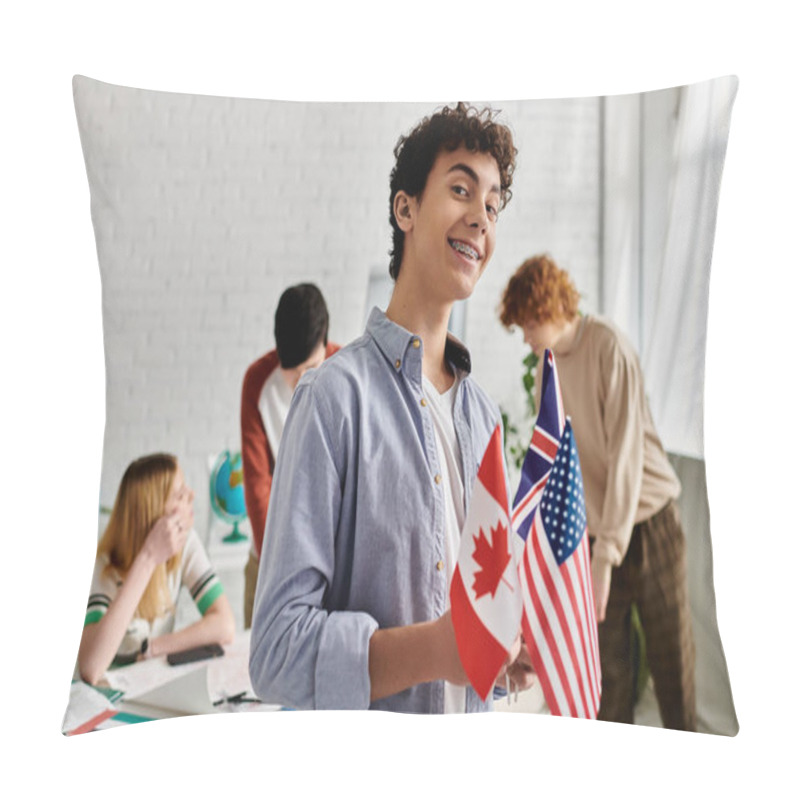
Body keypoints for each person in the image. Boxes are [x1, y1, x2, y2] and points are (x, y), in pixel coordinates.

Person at [249, 103, 535, 712]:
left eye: (492, 203)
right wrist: (436, 649)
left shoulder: (483, 418)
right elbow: (275, 651)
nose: (481, 217)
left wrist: (506, 650)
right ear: (406, 208)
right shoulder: (332, 400)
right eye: (461, 189)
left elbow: (482, 611)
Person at [499, 253, 696, 730]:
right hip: (595, 536)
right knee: (606, 681)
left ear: (546, 307)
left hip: (649, 527)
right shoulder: (548, 369)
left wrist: (603, 561)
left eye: (526, 324)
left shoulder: (610, 348)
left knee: (673, 675)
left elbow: (625, 461)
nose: (524, 337)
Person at [78, 453, 235, 685]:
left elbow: (224, 625)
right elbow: (91, 669)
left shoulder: (186, 544)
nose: (191, 496)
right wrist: (149, 557)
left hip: (150, 685)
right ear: (156, 513)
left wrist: (155, 647)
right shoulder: (104, 564)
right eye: (180, 495)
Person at [240, 282, 339, 629]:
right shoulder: (257, 382)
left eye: (310, 368)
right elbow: (257, 487)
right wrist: (282, 571)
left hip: (331, 566)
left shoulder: (347, 369)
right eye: (290, 371)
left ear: (326, 344)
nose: (300, 382)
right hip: (269, 559)